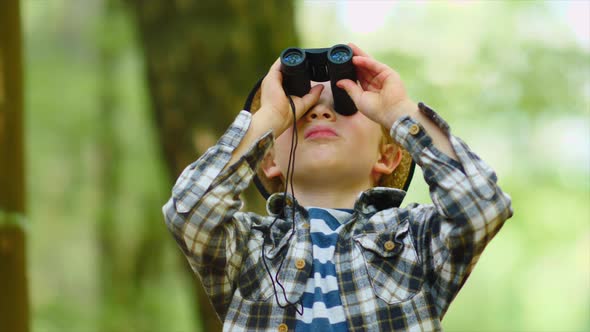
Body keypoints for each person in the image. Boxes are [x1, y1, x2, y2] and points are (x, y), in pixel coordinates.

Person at [162, 43, 513, 331]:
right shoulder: (249, 248)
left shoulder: (413, 240)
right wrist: (268, 117)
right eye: (302, 111)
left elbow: (481, 206)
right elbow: (190, 211)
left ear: (388, 157)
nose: (319, 113)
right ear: (268, 161)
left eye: (344, 105)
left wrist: (398, 112)